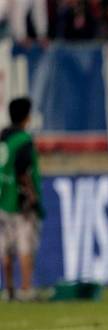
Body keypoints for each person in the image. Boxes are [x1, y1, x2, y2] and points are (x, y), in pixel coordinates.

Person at [0, 97, 44, 302]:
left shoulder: (3, 137)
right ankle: (25, 288)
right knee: (25, 245)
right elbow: (23, 171)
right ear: (27, 116)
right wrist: (32, 197)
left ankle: (9, 290)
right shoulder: (23, 140)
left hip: (2, 199)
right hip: (18, 201)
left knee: (5, 247)